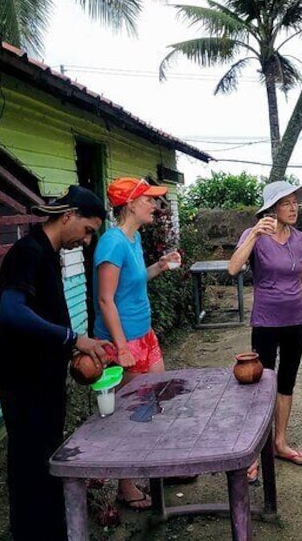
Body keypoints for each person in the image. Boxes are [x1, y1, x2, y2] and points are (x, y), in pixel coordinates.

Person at [0, 185, 109, 540]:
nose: (87, 242)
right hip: (25, 385)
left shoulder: (47, 253)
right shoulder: (27, 253)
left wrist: (72, 350)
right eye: (88, 231)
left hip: (44, 381)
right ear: (69, 215)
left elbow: (44, 320)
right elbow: (11, 312)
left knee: (47, 467)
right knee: (30, 473)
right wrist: (73, 339)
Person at [93, 176, 181, 510]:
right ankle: (126, 486)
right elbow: (105, 299)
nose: (155, 206)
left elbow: (135, 280)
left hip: (144, 334)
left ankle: (157, 468)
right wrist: (122, 348)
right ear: (130, 204)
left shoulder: (133, 238)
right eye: (149, 200)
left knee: (155, 403)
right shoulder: (112, 243)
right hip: (123, 341)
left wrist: (161, 265)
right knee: (128, 414)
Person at [228, 181, 302, 481]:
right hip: (266, 321)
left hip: (295, 321)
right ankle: (255, 451)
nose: (294, 208)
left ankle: (279, 442)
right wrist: (254, 233)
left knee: (286, 383)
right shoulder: (255, 236)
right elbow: (233, 268)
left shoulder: (300, 239)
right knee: (261, 384)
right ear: (271, 209)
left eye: (295, 202)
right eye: (286, 203)